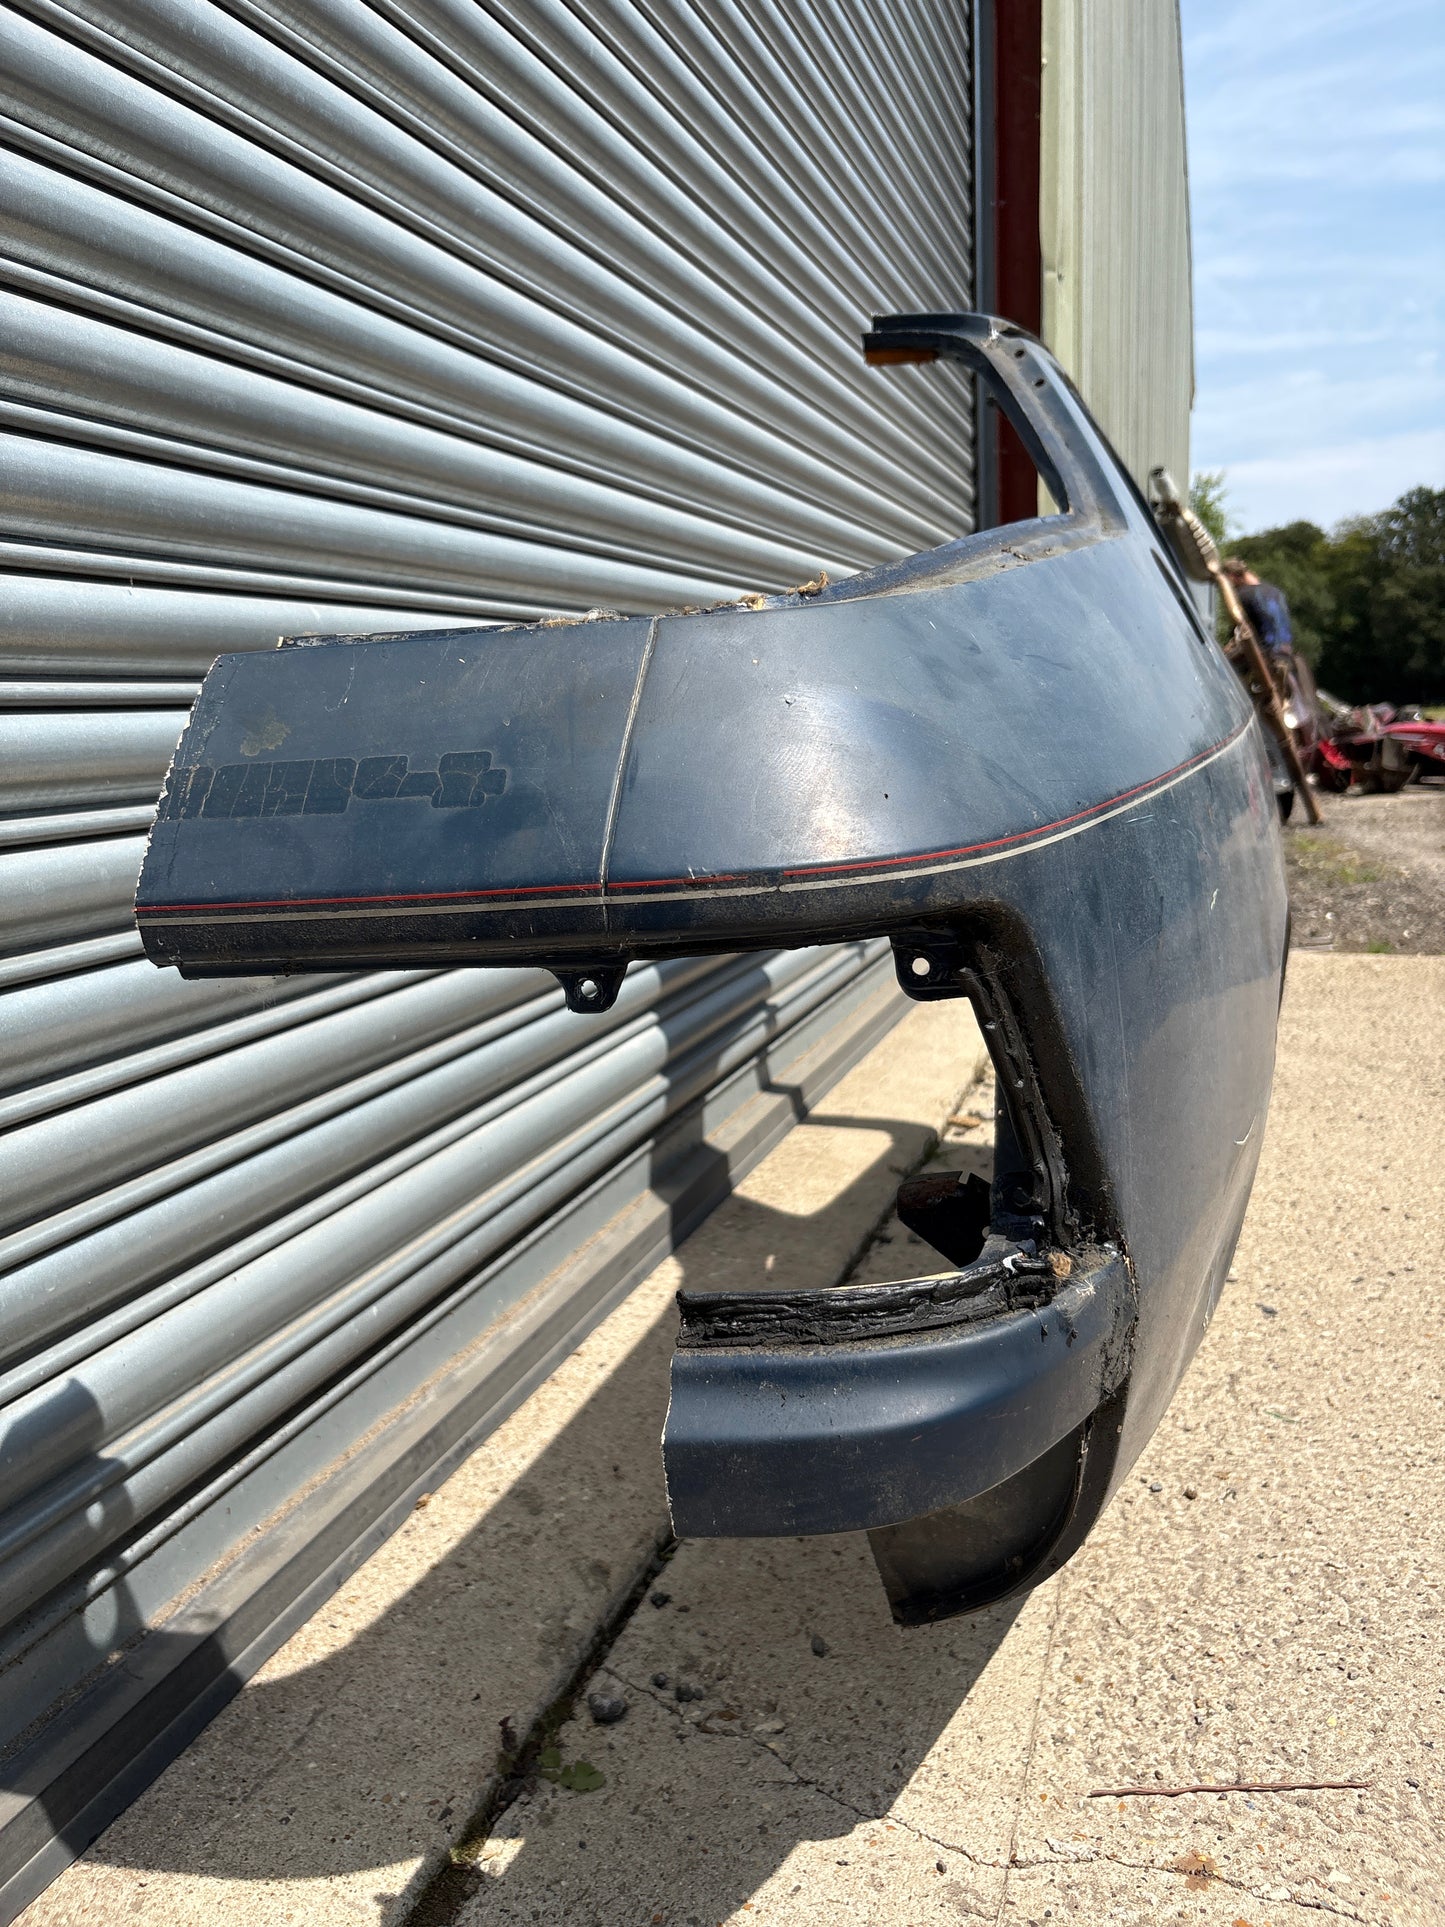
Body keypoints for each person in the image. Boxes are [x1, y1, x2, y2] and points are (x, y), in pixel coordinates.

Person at [1220, 558, 1294, 657]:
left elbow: (1238, 632)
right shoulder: (1277, 592)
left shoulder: (1242, 594)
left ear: (1231, 576)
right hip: (1286, 652)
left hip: (1264, 652)